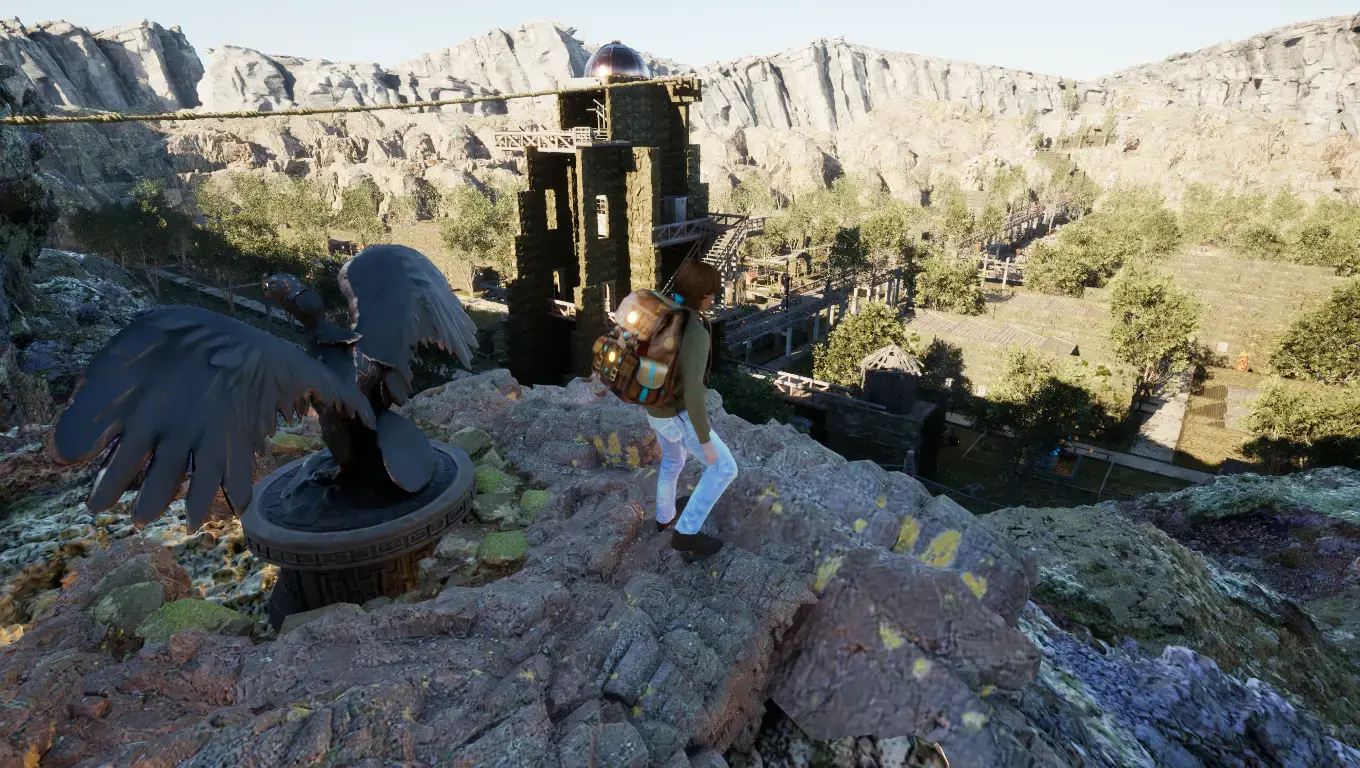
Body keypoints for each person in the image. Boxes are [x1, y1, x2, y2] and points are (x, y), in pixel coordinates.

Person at [643, 261, 739, 556]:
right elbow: (694, 392)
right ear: (703, 296)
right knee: (725, 468)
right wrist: (705, 438)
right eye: (712, 294)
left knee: (672, 463)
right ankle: (686, 533)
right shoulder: (695, 331)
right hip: (677, 415)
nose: (714, 299)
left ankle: (664, 517)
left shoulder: (663, 311)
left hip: (654, 407)